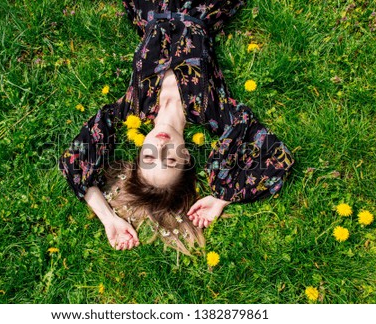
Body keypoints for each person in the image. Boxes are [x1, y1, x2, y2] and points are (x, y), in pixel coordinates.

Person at [58, 0, 294, 254]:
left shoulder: (131, 111)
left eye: (149, 156)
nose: (161, 144)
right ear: (187, 158)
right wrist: (222, 196)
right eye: (170, 159)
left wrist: (108, 218)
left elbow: (73, 165)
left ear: (139, 153)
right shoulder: (215, 113)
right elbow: (278, 159)